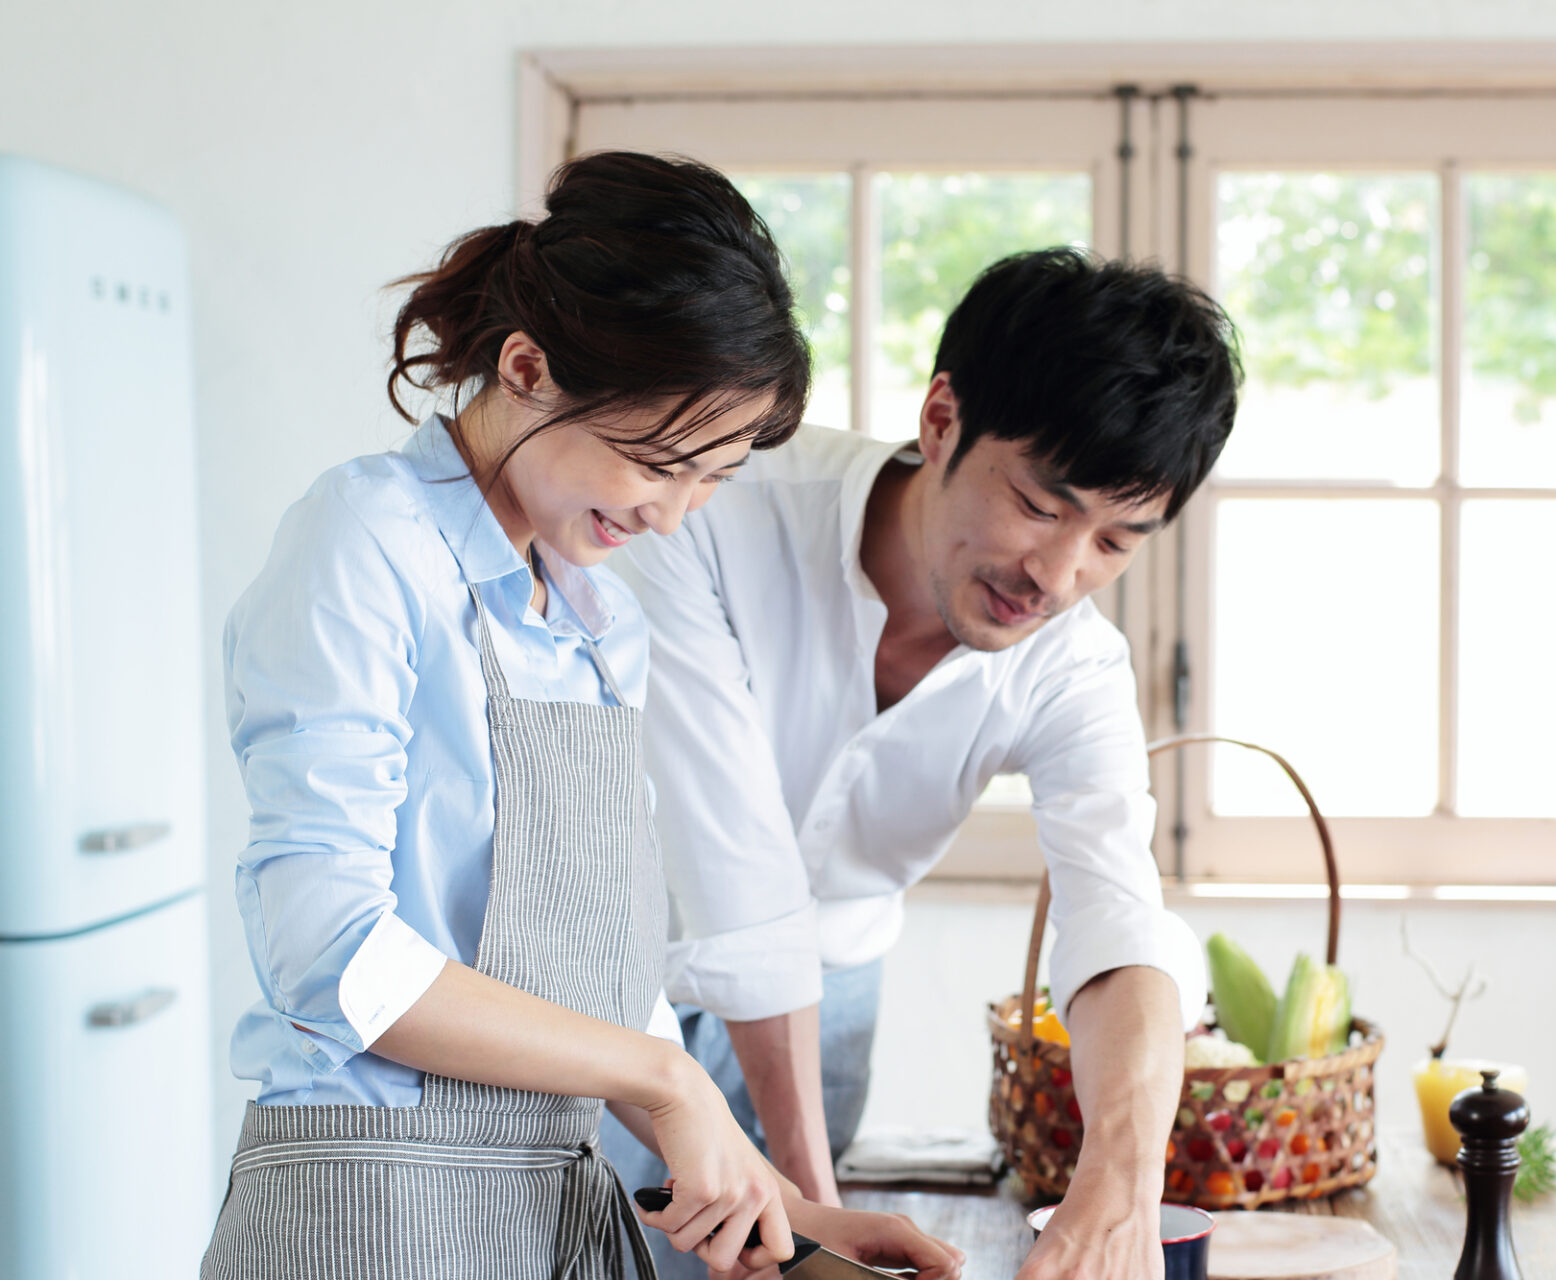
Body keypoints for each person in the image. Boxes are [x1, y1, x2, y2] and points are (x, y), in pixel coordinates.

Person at [202, 151, 962, 1280]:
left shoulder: (600, 622)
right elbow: (329, 947)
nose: (669, 514)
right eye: (655, 460)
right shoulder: (366, 541)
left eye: (711, 479)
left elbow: (600, 986)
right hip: (365, 1207)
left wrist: (789, 1210)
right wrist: (664, 1076)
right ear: (526, 366)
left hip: (544, 1205)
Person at [606, 248, 1241, 1280]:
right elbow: (732, 863)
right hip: (608, 978)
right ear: (941, 418)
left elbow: (1117, 913)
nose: (1058, 573)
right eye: (1040, 503)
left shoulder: (1074, 665)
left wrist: (1120, 1185)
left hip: (834, 994)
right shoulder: (715, 503)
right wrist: (811, 1217)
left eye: (1116, 541)